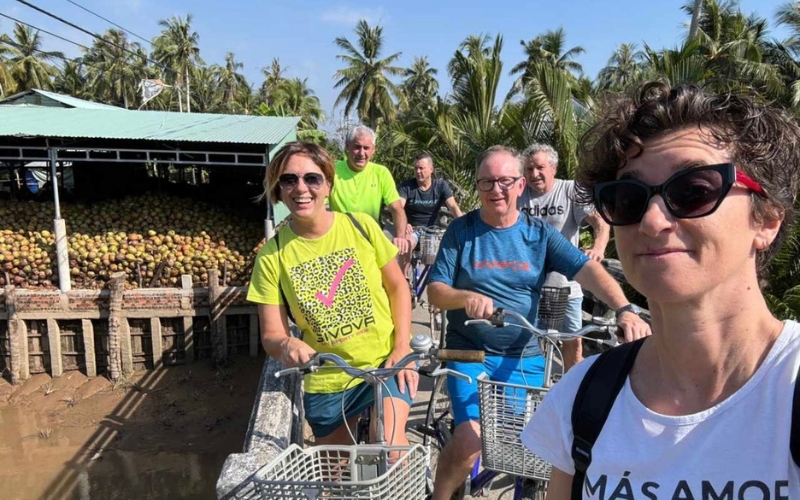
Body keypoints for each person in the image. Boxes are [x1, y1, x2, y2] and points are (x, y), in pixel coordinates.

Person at [522, 82, 800, 498]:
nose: (652, 222)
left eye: (693, 191)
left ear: (767, 219)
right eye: (627, 198)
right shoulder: (583, 399)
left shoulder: (789, 385)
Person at [427, 145, 651, 500]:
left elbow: (587, 269)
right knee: (471, 437)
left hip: (524, 356)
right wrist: (463, 298)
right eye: (487, 182)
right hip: (467, 352)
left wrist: (624, 308)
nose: (496, 190)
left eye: (504, 181)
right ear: (477, 186)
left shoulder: (538, 235)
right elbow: (436, 290)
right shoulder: (461, 231)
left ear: (519, 186)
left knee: (534, 449)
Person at [247, 141, 417, 447]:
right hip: (327, 380)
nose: (301, 188)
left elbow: (397, 287)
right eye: (289, 179)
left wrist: (403, 346)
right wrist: (288, 344)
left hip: (385, 364)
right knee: (336, 474)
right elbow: (271, 334)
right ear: (278, 190)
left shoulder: (361, 226)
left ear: (328, 184)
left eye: (312, 178)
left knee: (390, 446)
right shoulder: (271, 257)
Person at [518, 143, 611, 370]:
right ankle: (535, 396)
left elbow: (600, 222)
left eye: (539, 167)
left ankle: (570, 395)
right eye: (529, 169)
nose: (534, 174)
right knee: (529, 343)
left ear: (553, 168)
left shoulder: (569, 190)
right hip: (530, 285)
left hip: (566, 283)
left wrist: (598, 248)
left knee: (572, 343)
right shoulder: (520, 194)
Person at [329, 125, 412, 255]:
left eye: (366, 148)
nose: (361, 153)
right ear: (347, 147)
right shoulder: (332, 171)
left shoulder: (381, 173)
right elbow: (318, 205)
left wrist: (400, 237)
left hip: (370, 240)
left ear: (373, 150)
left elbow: (397, 209)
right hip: (340, 241)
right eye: (357, 147)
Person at [398, 151, 463, 268]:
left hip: (434, 231)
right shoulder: (406, 187)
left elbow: (453, 206)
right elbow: (398, 208)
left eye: (421, 168)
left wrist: (464, 225)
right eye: (416, 168)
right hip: (413, 230)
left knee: (450, 253)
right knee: (406, 244)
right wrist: (404, 224)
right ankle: (404, 281)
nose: (418, 171)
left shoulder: (441, 186)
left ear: (431, 169)